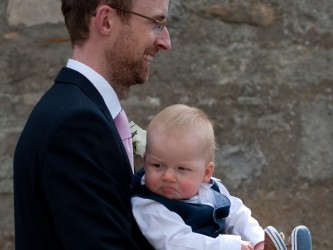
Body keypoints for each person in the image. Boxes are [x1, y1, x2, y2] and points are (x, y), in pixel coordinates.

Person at [13, 0, 171, 249]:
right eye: (157, 23)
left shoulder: (76, 110)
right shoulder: (75, 125)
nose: (165, 42)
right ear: (106, 20)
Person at [131, 104, 312, 250]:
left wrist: (257, 240)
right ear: (145, 160)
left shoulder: (211, 190)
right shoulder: (149, 206)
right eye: (157, 165)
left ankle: (269, 247)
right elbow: (176, 242)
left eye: (182, 169)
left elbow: (237, 214)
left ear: (206, 173)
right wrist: (231, 245)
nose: (168, 176)